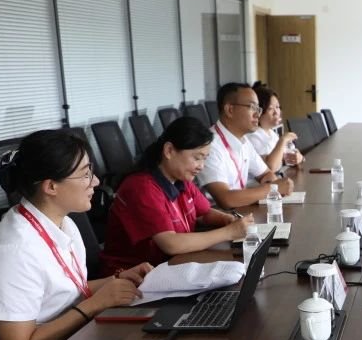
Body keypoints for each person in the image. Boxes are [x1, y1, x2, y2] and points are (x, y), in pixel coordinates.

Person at [0, 130, 150, 340]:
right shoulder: (12, 252)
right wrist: (95, 304)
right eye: (85, 174)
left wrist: (117, 280)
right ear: (51, 186)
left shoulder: (64, 224)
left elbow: (63, 291)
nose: (95, 181)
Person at [100, 117, 256, 275]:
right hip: (131, 277)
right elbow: (171, 244)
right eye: (197, 158)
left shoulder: (181, 179)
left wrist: (227, 219)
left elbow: (204, 213)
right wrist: (229, 232)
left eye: (205, 158)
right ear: (169, 151)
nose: (201, 166)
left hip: (172, 265)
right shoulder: (141, 188)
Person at [198, 82, 293, 208]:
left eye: (258, 109)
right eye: (252, 107)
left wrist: (274, 184)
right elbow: (225, 199)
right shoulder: (210, 145)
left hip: (241, 211)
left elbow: (266, 174)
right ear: (230, 110)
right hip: (218, 215)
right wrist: (273, 188)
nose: (257, 114)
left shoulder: (243, 140)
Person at [245, 82, 304, 172]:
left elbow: (287, 154)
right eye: (270, 108)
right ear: (258, 111)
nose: (276, 112)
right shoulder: (252, 136)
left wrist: (298, 157)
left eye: (277, 107)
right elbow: (271, 167)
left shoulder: (271, 133)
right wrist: (283, 140)